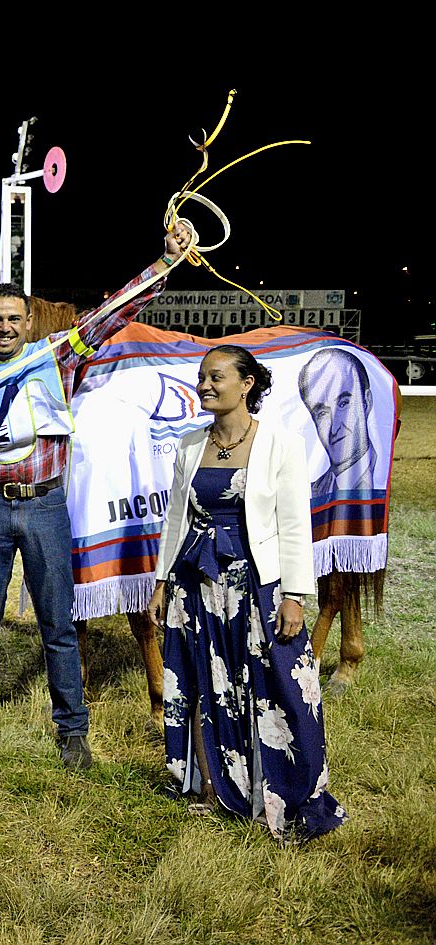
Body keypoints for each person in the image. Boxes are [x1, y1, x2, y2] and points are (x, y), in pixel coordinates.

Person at [0, 224, 192, 769]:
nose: (3, 328)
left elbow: (112, 313)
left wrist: (164, 264)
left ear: (27, 324)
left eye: (13, 320)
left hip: (47, 506)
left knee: (58, 625)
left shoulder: (56, 356)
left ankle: (73, 730)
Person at [146, 345, 345, 841]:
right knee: (203, 685)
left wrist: (295, 595)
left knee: (278, 688)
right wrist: (161, 581)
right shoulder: (190, 444)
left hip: (259, 587)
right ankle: (212, 789)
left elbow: (295, 526)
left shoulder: (281, 444)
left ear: (247, 384)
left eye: (216, 377)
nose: (205, 385)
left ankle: (279, 791)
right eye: (201, 377)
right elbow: (176, 520)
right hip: (199, 587)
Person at [298, 347, 378, 497]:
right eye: (322, 413)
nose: (334, 427)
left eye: (343, 404)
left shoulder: (379, 475)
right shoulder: (310, 492)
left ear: (366, 402)